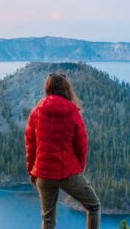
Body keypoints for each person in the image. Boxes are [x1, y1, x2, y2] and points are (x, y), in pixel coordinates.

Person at [25, 72, 101, 229]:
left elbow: (30, 144)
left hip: (44, 173)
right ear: (66, 89)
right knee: (94, 206)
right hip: (68, 172)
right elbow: (81, 144)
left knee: (48, 220)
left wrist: (32, 170)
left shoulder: (36, 112)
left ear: (47, 89)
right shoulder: (73, 113)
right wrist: (79, 168)